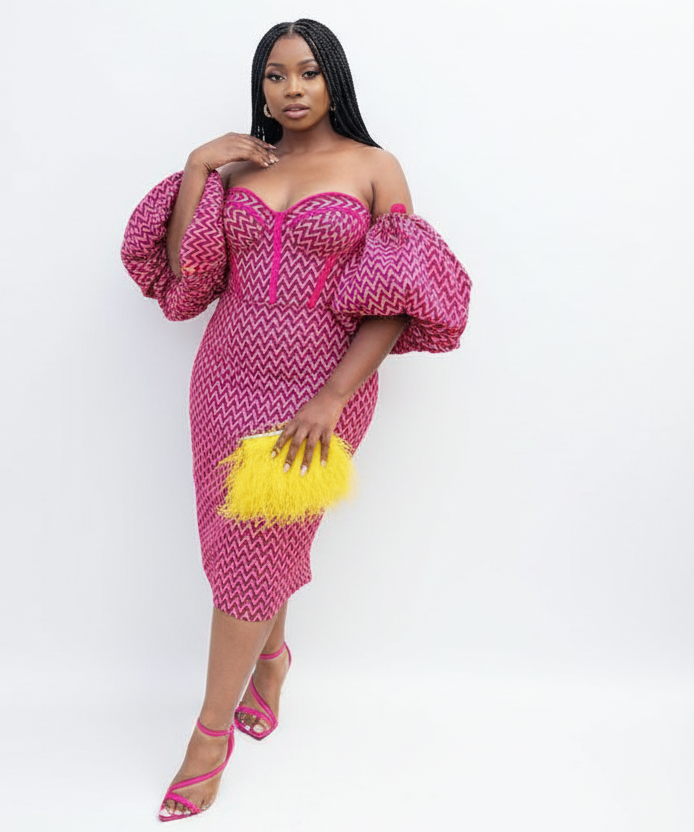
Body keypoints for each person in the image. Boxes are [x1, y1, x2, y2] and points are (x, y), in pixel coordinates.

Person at [120, 18, 472, 822]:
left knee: (254, 547)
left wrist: (333, 396)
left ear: (333, 79)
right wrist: (198, 167)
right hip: (225, 377)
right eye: (275, 75)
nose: (292, 89)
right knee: (242, 541)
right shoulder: (243, 167)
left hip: (319, 389)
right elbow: (184, 278)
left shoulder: (375, 168)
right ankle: (271, 656)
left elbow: (397, 299)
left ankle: (209, 736)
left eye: (308, 72)